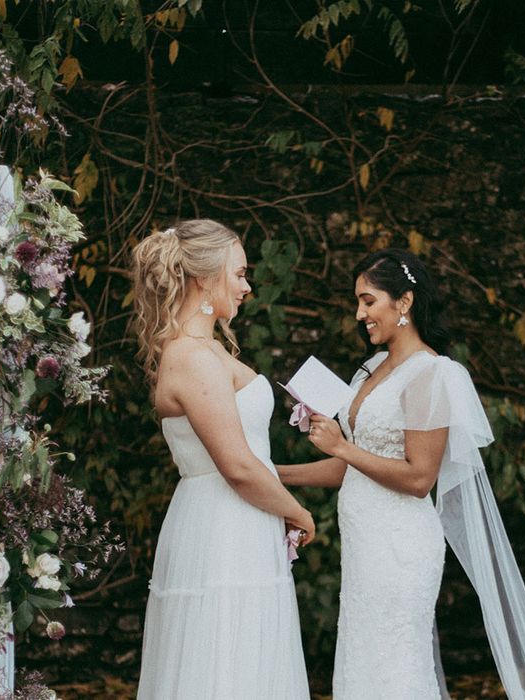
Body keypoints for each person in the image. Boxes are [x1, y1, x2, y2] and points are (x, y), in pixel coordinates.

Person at [278, 248, 525, 699]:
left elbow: (419, 478)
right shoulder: (371, 370)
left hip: (400, 545)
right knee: (362, 662)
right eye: (358, 302)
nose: (359, 314)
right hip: (364, 543)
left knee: (394, 666)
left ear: (405, 302)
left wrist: (342, 446)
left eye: (368, 300)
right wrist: (277, 474)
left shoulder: (432, 375)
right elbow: (351, 465)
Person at [132, 219, 313, 699]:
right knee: (220, 662)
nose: (247, 286)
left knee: (250, 662)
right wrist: (296, 511)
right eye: (240, 273)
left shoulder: (208, 350)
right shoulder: (192, 357)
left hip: (242, 523)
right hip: (220, 529)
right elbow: (236, 465)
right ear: (204, 278)